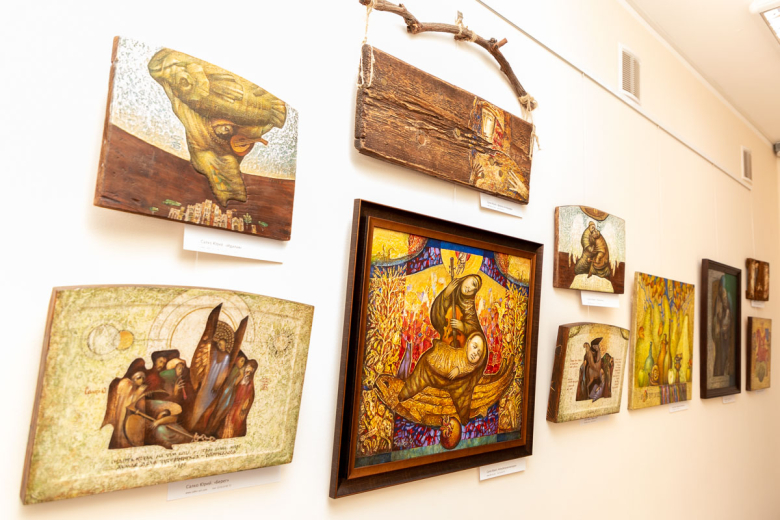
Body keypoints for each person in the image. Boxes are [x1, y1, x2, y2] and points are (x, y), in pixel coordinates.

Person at [397, 274, 487, 426]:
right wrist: (446, 294)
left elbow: (476, 333)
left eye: (474, 288)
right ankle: (405, 393)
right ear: (465, 278)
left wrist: (463, 327)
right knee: (426, 361)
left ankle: (463, 415)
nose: (470, 288)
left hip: (461, 354)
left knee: (462, 385)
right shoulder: (451, 293)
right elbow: (437, 317)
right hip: (446, 345)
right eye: (471, 282)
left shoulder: (469, 307)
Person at [102, 359, 149, 449]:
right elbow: (128, 403)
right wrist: (139, 392)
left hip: (131, 416)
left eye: (143, 378)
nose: (142, 381)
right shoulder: (127, 384)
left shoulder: (135, 386)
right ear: (134, 378)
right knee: (123, 434)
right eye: (139, 378)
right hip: (123, 414)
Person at [219, 361, 257, 438]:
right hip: (233, 404)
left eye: (250, 373)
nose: (248, 374)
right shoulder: (240, 379)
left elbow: (249, 397)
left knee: (235, 423)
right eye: (247, 372)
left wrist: (244, 406)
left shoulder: (250, 384)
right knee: (228, 421)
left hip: (240, 407)